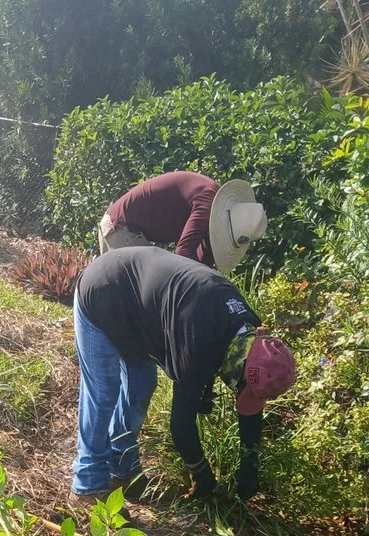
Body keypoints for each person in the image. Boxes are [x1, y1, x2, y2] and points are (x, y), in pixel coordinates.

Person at [71, 246, 296, 504]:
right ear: (239, 372)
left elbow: (250, 411)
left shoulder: (249, 328)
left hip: (138, 311)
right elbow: (181, 426)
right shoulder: (198, 344)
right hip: (104, 290)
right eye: (242, 388)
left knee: (142, 384)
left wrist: (249, 469)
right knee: (103, 391)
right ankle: (87, 485)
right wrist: (205, 481)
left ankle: (122, 471)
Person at [97, 171, 267, 274]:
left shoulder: (215, 211)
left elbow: (203, 260)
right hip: (122, 229)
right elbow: (184, 252)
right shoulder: (207, 203)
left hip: (119, 225)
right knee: (142, 296)